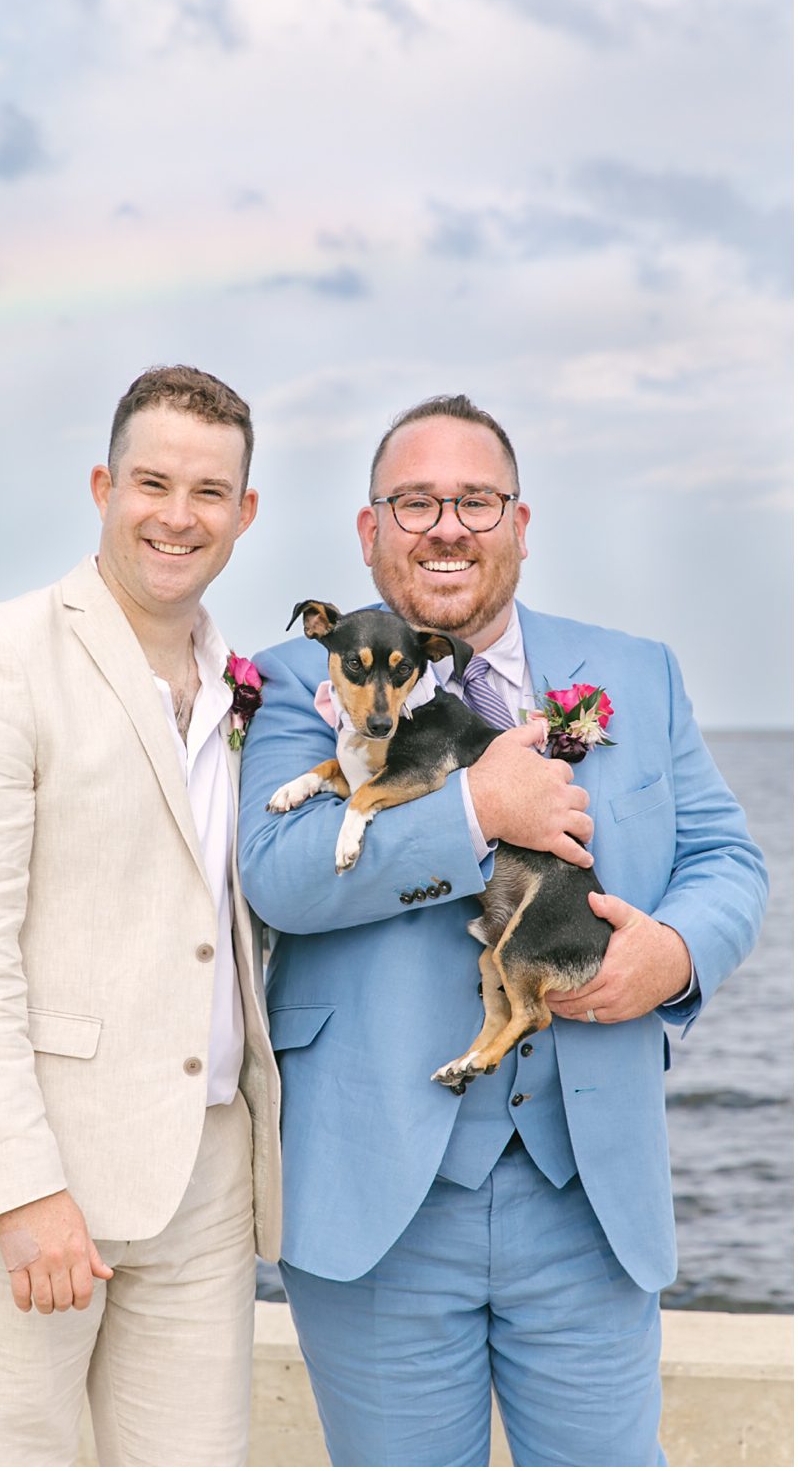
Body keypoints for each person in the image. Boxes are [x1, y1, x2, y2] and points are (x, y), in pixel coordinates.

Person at [238, 396, 767, 1465]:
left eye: (475, 501)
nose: (446, 527)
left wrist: (670, 957)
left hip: (588, 1204)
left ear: (519, 524)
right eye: (414, 502)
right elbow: (278, 875)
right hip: (379, 1203)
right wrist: (476, 810)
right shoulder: (299, 678)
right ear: (369, 531)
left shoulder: (637, 672)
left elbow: (726, 860)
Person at [0, 366, 283, 1465]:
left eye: (208, 491)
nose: (177, 515)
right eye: (152, 483)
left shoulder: (251, 691)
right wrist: (23, 1189)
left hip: (203, 1174)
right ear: (103, 487)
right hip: (31, 1173)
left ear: (243, 512)